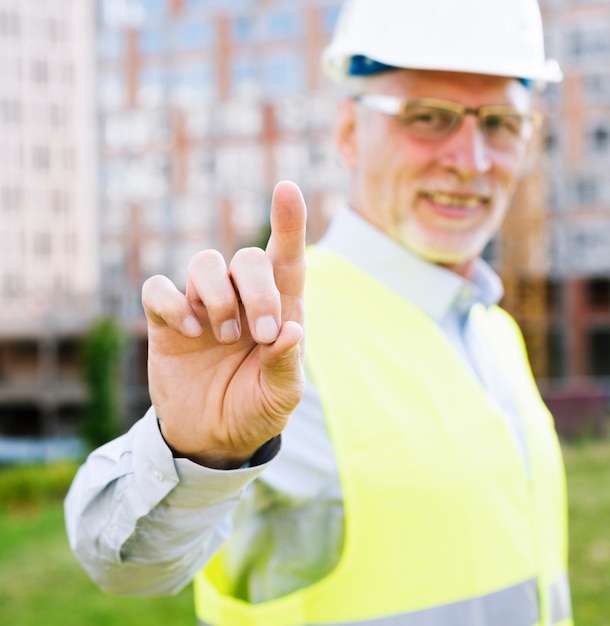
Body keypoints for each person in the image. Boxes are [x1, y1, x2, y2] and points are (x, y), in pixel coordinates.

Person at [65, 0, 573, 624]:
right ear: (349, 133)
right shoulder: (284, 340)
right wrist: (195, 454)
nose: (471, 161)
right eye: (429, 117)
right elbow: (126, 565)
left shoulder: (494, 330)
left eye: (499, 123)